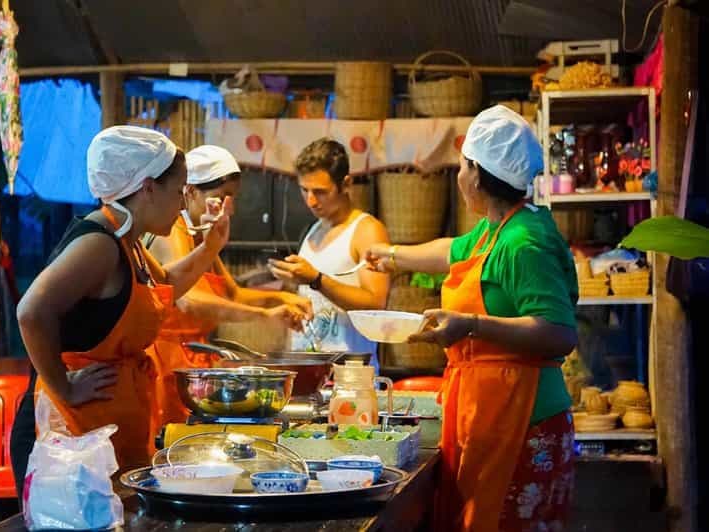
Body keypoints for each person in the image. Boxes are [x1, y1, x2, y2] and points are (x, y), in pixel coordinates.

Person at [366, 106, 578, 531]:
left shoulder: (524, 243)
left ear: (478, 175)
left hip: (526, 418)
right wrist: (390, 256)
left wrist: (472, 326)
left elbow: (558, 333)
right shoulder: (495, 227)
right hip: (490, 409)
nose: (458, 174)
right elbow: (452, 250)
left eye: (463, 165)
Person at [9, 126, 232, 497]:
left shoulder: (129, 242)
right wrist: (64, 386)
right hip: (71, 437)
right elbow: (31, 312)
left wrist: (212, 246)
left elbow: (167, 288)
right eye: (178, 192)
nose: (182, 204)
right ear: (147, 188)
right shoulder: (100, 244)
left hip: (104, 431)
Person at [146, 145, 312, 427]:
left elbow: (234, 293)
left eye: (232, 198)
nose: (229, 207)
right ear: (190, 192)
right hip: (166, 361)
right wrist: (265, 316)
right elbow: (189, 300)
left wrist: (283, 298)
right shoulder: (174, 231)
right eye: (221, 197)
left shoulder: (203, 236)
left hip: (193, 363)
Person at [268, 138, 390, 371]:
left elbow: (376, 304)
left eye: (320, 192)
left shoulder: (366, 230)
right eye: (304, 190)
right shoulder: (314, 230)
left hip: (350, 376)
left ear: (346, 184)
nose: (311, 201)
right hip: (306, 367)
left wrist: (316, 280)